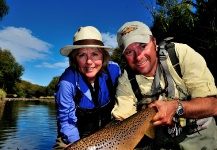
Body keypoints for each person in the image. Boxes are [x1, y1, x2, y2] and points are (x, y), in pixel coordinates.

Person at [111, 21, 217, 149]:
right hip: (162, 141)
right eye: (129, 52)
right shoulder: (126, 79)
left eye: (143, 46)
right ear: (124, 56)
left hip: (200, 136)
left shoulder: (180, 54)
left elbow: (213, 105)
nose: (138, 57)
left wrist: (177, 107)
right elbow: (121, 120)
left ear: (154, 42)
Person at [53, 26, 121, 149]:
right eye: (82, 55)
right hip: (74, 134)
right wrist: (80, 146)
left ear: (103, 56)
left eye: (95, 54)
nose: (89, 61)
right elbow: (67, 122)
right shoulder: (66, 83)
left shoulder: (114, 71)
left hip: (109, 132)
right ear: (74, 59)